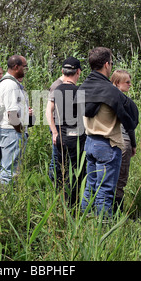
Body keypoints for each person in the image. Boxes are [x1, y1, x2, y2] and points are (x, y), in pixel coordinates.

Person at [76, 47, 139, 219]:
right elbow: (130, 118)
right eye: (111, 63)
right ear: (106, 64)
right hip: (107, 145)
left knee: (90, 186)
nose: (111, 66)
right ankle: (102, 229)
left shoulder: (82, 87)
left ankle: (85, 222)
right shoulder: (110, 91)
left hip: (89, 142)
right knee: (105, 190)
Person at [52, 57, 86, 207]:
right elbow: (84, 116)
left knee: (61, 170)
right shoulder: (79, 91)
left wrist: (54, 132)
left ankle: (60, 203)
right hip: (76, 138)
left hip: (61, 137)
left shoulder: (57, 89)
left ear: (62, 72)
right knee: (76, 173)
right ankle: (73, 206)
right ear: (78, 71)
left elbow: (48, 112)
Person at [0, 55, 31, 185]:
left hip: (11, 131)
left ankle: (10, 195)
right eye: (24, 67)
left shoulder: (10, 83)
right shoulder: (11, 85)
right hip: (12, 132)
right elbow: (11, 114)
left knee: (13, 167)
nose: (25, 70)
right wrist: (21, 130)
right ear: (16, 67)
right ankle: (5, 199)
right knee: (9, 169)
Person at [110, 69, 137, 213]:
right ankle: (116, 215)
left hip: (105, 141)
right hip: (122, 141)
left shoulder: (105, 97)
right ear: (116, 82)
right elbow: (130, 126)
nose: (130, 85)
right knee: (120, 179)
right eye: (127, 82)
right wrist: (133, 144)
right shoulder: (125, 102)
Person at [45, 74, 64, 182]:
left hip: (60, 124)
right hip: (56, 124)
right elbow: (49, 110)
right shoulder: (57, 85)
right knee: (56, 156)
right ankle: (53, 181)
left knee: (59, 155)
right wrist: (54, 131)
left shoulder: (61, 84)